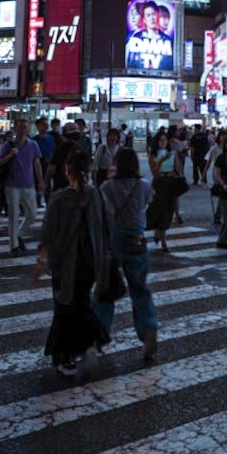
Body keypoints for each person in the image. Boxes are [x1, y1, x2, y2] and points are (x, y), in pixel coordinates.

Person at [34, 149, 111, 375]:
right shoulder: (96, 195)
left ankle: (67, 354)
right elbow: (106, 228)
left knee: (65, 308)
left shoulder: (59, 198)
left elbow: (47, 234)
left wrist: (41, 261)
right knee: (80, 302)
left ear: (68, 171)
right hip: (90, 263)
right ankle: (89, 341)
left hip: (65, 264)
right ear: (88, 170)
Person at [100, 146, 158, 363]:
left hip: (114, 241)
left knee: (106, 289)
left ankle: (101, 331)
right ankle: (148, 328)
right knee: (140, 290)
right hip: (136, 240)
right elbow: (150, 201)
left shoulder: (107, 187)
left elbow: (103, 213)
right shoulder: (143, 187)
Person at [0, 118, 43, 255]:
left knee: (32, 214)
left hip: (29, 184)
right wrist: (10, 155)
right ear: (15, 129)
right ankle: (14, 245)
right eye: (20, 127)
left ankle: (19, 234)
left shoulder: (33, 144)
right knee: (13, 215)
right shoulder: (8, 145)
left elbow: (37, 164)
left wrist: (40, 181)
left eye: (25, 127)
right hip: (12, 185)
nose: (23, 130)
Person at [146, 127, 180, 252]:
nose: (162, 142)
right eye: (160, 140)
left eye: (164, 140)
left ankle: (159, 234)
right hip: (159, 183)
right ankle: (162, 239)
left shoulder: (172, 153)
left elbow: (177, 169)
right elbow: (154, 173)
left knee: (167, 211)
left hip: (169, 182)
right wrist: (160, 161)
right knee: (158, 210)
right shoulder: (153, 154)